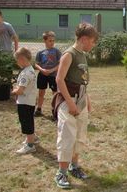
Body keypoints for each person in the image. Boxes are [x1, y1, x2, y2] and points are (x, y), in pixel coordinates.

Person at [52, 23, 97, 189]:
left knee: (79, 135)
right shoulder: (69, 54)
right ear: (84, 39)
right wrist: (70, 104)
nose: (93, 44)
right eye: (92, 41)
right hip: (68, 101)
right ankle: (61, 172)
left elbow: (83, 81)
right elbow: (59, 79)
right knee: (67, 136)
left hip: (81, 101)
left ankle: (74, 166)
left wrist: (87, 101)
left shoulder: (82, 54)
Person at [12, 47, 38, 155]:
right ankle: (32, 138)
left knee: (26, 123)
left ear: (22, 59)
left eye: (17, 60)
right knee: (29, 120)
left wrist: (13, 91)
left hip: (24, 102)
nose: (17, 62)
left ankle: (30, 145)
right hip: (30, 101)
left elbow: (20, 90)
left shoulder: (25, 74)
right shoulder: (31, 70)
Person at [34, 31, 61, 117]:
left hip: (53, 76)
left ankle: (55, 110)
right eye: (50, 40)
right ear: (44, 41)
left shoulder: (57, 52)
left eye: (53, 40)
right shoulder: (40, 52)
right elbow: (36, 64)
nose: (52, 42)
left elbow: (60, 64)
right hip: (42, 75)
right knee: (41, 92)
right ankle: (39, 109)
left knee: (55, 93)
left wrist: (52, 70)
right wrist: (42, 70)